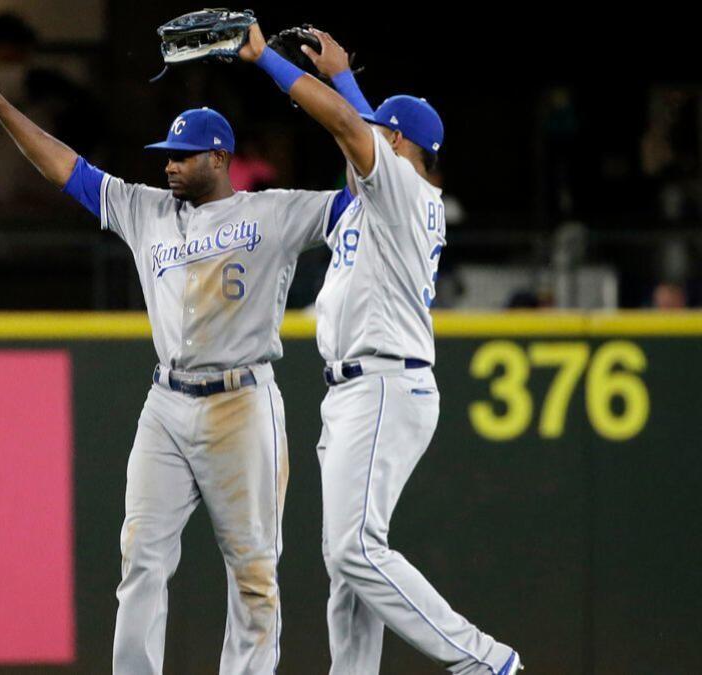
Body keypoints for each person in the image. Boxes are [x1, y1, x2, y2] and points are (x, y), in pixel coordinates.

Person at [0, 35, 340, 674]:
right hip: (166, 403)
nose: (168, 164)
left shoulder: (273, 213)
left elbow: (364, 188)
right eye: (166, 154)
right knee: (140, 558)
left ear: (219, 158)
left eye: (183, 156)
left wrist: (342, 92)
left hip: (241, 403)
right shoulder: (146, 211)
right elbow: (66, 169)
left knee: (253, 575)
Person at [238, 25, 522, 675]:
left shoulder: (398, 185)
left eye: (376, 136)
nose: (357, 147)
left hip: (383, 383)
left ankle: (483, 660)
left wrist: (267, 62)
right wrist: (344, 76)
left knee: (355, 551)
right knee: (350, 571)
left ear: (396, 143)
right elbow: (357, 127)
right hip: (364, 388)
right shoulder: (391, 192)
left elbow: (347, 125)